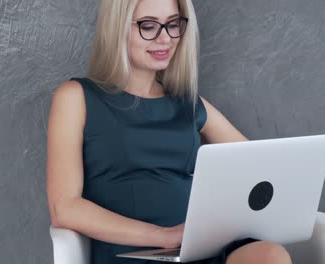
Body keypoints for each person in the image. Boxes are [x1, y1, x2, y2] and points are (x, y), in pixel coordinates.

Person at [46, 0, 292, 263]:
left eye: (173, 24)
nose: (165, 38)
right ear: (116, 28)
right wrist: (162, 236)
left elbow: (260, 164)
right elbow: (65, 207)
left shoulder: (188, 103)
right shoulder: (76, 98)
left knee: (270, 255)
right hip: (134, 251)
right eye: (149, 26)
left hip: (195, 245)